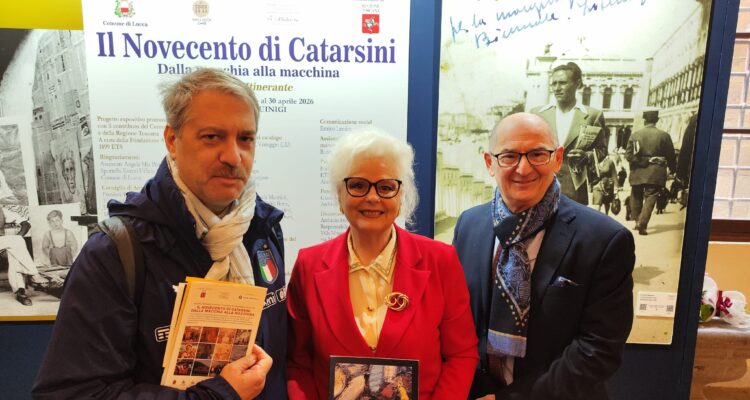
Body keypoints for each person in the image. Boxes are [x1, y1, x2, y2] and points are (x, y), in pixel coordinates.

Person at [33, 68, 286, 399]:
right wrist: (218, 395)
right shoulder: (116, 252)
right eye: (212, 137)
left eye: (245, 139)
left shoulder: (262, 230)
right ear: (172, 140)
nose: (233, 156)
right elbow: (71, 393)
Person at [453, 113, 635, 399]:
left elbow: (597, 350)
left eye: (537, 154)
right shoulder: (469, 225)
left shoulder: (605, 240)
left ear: (557, 158)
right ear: (489, 163)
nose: (523, 169)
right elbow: (458, 323)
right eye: (509, 156)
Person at [287, 130, 478, 399]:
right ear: (340, 194)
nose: (372, 197)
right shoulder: (309, 265)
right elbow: (298, 361)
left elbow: (461, 355)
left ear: (401, 196)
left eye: (386, 187)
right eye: (358, 185)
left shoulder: (440, 261)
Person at [531, 62, 608, 205]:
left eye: (562, 83)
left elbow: (602, 150)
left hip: (574, 189)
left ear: (577, 84)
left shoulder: (592, 115)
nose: (557, 88)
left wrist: (587, 156)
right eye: (554, 84)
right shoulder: (537, 114)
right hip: (541, 186)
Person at [625, 110, 676, 236]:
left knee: (636, 196)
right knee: (651, 197)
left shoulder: (635, 135)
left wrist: (643, 161)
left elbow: (628, 156)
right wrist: (673, 169)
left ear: (644, 121)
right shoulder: (664, 135)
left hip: (638, 171)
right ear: (656, 120)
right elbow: (671, 156)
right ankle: (642, 223)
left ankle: (637, 220)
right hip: (656, 172)